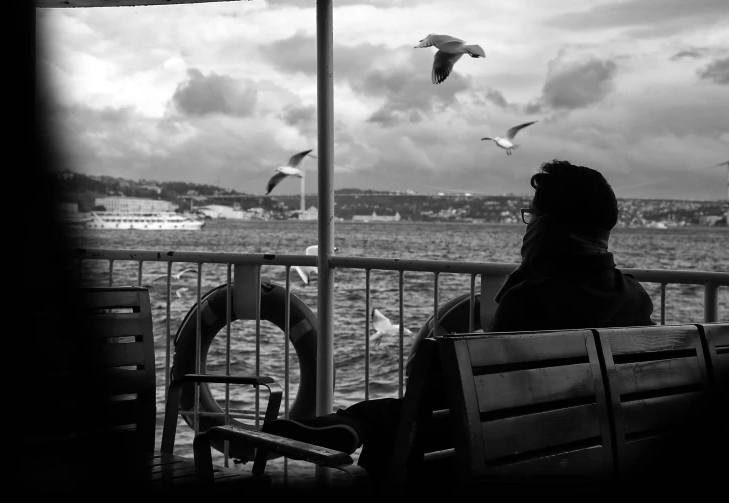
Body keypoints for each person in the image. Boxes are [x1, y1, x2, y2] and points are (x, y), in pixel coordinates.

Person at [262, 159, 655, 486]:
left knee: (408, 416)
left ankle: (351, 425)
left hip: (506, 454)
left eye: (532, 216)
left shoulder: (533, 296)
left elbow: (477, 397)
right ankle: (353, 424)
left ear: (551, 225)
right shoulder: (635, 298)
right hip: (586, 451)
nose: (528, 225)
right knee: (410, 415)